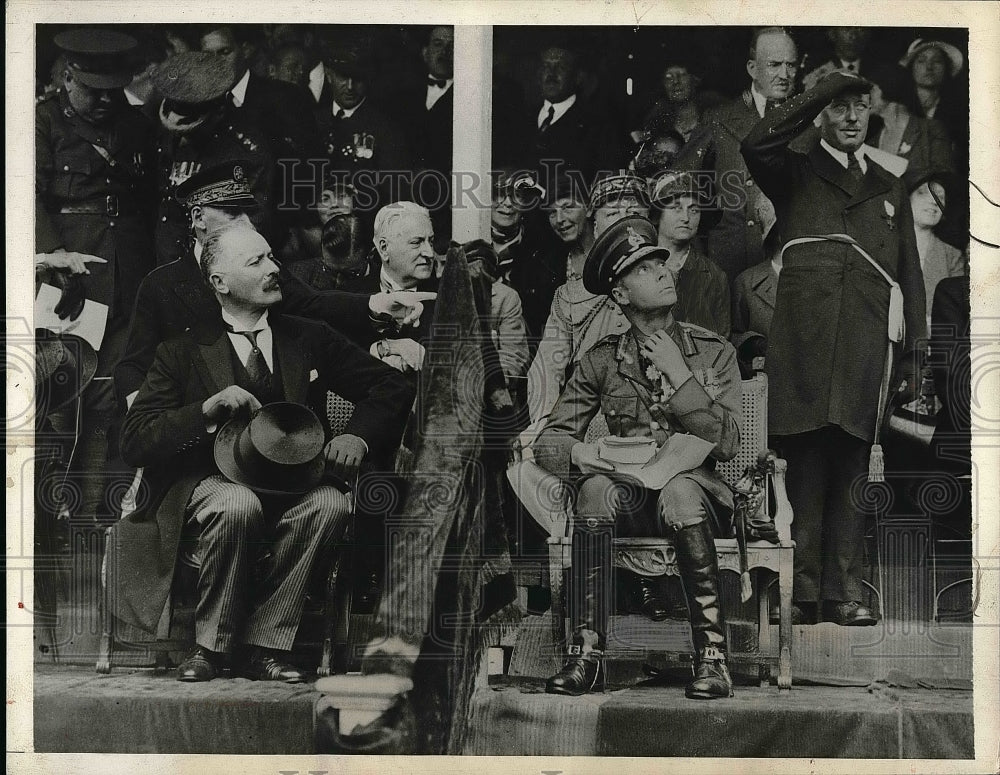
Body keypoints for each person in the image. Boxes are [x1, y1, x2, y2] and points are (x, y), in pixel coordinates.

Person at [113, 225, 414, 683]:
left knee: (331, 503)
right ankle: (208, 647)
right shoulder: (182, 351)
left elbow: (390, 385)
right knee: (238, 503)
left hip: (296, 484)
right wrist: (204, 411)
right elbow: (135, 438)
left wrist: (358, 436)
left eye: (271, 256)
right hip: (209, 485)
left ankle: (266, 646)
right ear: (219, 282)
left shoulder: (308, 337)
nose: (275, 269)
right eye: (256, 262)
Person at [742, 70, 926, 626]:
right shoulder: (795, 170)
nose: (850, 117)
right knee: (802, 458)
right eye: (838, 107)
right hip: (804, 338)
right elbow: (757, 141)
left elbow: (909, 274)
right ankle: (799, 593)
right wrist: (818, 90)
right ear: (821, 114)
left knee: (851, 461)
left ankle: (845, 592)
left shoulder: (888, 184)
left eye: (859, 107)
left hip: (866, 340)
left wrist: (916, 355)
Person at [534, 216, 741, 699]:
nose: (663, 272)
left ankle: (712, 656)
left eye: (660, 263)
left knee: (681, 489)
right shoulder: (601, 359)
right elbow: (550, 440)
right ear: (621, 296)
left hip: (697, 496)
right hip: (631, 497)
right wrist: (584, 454)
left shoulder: (713, 353)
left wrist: (680, 375)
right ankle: (587, 653)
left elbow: (729, 443)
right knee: (595, 489)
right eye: (645, 269)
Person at [115, 162, 437, 409]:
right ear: (198, 217)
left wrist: (374, 304)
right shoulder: (161, 284)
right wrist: (148, 420)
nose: (245, 223)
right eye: (232, 212)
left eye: (248, 212)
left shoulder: (267, 269)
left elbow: (314, 304)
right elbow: (132, 366)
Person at [35, 28, 157, 525]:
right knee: (62, 393)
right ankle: (49, 511)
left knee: (114, 393)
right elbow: (26, 193)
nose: (106, 100)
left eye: (114, 89)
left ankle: (100, 516)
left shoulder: (137, 125)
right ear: (68, 76)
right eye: (94, 90)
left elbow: (149, 201)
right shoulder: (42, 121)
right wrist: (52, 255)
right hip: (68, 275)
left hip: (130, 270)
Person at [675, 27, 803, 284]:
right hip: (730, 265)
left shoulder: (807, 121)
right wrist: (700, 259)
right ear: (752, 69)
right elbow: (682, 185)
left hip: (790, 265)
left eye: (791, 65)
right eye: (774, 65)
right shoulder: (718, 120)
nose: (784, 74)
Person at [525, 176, 630, 426]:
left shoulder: (636, 268)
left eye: (568, 207)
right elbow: (547, 363)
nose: (560, 219)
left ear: (591, 209)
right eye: (552, 212)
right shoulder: (551, 269)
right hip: (578, 395)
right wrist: (545, 427)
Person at [650, 171, 730, 337]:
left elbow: (723, 340)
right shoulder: (639, 266)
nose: (686, 218)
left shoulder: (714, 276)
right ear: (657, 215)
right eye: (676, 208)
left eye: (694, 210)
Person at [525, 40, 620, 181]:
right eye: (546, 67)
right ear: (538, 76)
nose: (551, 74)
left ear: (578, 77)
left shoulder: (598, 124)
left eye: (561, 67)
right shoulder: (522, 117)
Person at [490, 169, 561, 351]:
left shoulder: (541, 252)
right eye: (498, 195)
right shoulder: (469, 242)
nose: (507, 204)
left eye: (517, 196)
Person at [866, 63, 953, 180]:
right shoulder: (872, 142)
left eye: (870, 89)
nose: (864, 97)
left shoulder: (931, 131)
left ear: (888, 86)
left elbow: (943, 179)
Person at [906, 169, 965, 327]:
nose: (933, 201)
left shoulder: (952, 256)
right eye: (922, 193)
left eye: (940, 197)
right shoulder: (885, 245)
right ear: (906, 199)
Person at [731, 223, 781, 378]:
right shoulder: (746, 282)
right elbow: (733, 336)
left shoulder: (819, 281)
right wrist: (754, 343)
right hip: (763, 384)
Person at [289, 213, 375, 292]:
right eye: (329, 270)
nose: (338, 282)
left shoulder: (384, 286)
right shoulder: (298, 277)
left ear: (371, 254)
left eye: (350, 273)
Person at [802, 27, 873, 91]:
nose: (854, 36)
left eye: (860, 29)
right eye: (847, 29)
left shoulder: (877, 74)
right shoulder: (818, 75)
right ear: (832, 34)